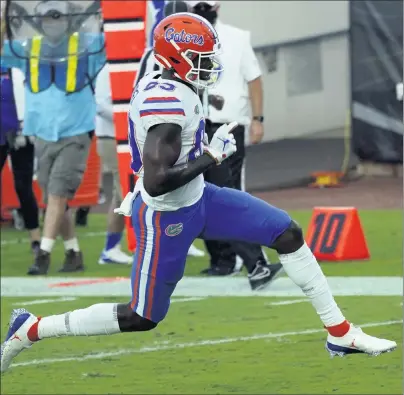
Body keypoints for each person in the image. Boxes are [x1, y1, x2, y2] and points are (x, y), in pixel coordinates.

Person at [0, 12, 396, 373]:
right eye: (200, 57)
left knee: (287, 233)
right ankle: (32, 328)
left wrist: (210, 118)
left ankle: (340, 331)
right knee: (143, 316)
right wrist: (210, 155)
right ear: (175, 58)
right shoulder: (166, 109)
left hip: (200, 198)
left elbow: (184, 114)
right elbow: (157, 180)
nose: (210, 64)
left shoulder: (173, 81)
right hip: (165, 214)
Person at [0, 0, 106, 274]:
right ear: (40, 21)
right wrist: (4, 16)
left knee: (58, 193)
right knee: (54, 199)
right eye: (48, 18)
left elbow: (111, 42)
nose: (53, 22)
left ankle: (43, 255)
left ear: (69, 20)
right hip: (43, 135)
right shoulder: (29, 48)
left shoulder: (88, 46)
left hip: (76, 133)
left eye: (59, 17)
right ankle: (73, 252)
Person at [186, 1, 281, 280]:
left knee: (225, 194)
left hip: (227, 124)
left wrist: (257, 119)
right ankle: (228, 260)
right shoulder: (185, 38)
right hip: (198, 125)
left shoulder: (237, 38)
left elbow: (254, 79)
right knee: (206, 195)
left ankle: (246, 261)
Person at [134, 0, 206, 259]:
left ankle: (249, 262)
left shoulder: (190, 63)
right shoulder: (155, 66)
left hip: (187, 130)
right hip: (165, 132)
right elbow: (143, 94)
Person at [0, 65, 41, 255]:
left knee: (23, 187)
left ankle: (35, 239)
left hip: (19, 134)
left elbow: (30, 101)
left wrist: (27, 127)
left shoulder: (14, 72)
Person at [95, 64, 133, 265]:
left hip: (124, 136)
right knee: (126, 190)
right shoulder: (107, 71)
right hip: (111, 137)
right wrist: (131, 117)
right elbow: (101, 106)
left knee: (121, 195)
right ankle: (147, 244)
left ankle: (111, 248)